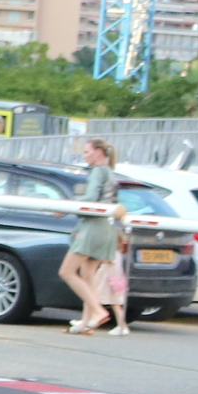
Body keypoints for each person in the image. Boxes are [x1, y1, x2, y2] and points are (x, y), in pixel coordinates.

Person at [60, 138, 122, 334]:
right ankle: (86, 322)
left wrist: (67, 205)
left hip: (93, 227)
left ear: (98, 153)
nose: (85, 156)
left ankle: (97, 311)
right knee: (88, 276)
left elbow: (91, 198)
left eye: (87, 152)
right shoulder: (110, 173)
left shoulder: (97, 172)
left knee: (67, 272)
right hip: (107, 228)